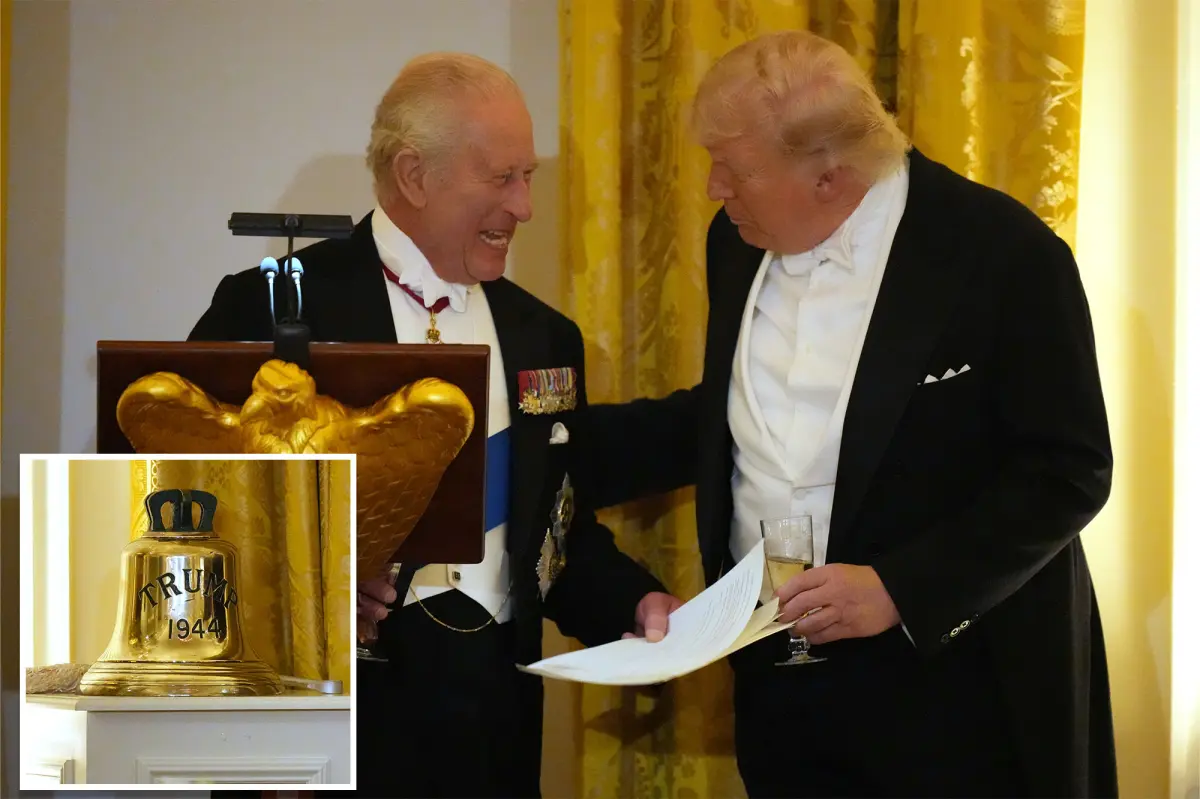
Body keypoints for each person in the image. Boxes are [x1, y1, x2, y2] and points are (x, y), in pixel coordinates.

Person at [574, 30, 1116, 799]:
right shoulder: (734, 243)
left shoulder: (1003, 254)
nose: (712, 187)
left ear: (828, 177)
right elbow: (736, 413)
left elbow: (1068, 471)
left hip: (950, 693)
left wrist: (899, 586)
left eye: (734, 167)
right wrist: (539, 451)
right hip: (778, 684)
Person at [189, 52, 681, 798]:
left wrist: (634, 603)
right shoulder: (273, 308)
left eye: (530, 177)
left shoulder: (544, 336)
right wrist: (291, 587)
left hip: (494, 729)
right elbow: (176, 510)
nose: (525, 207)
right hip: (328, 729)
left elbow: (556, 532)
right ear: (414, 175)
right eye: (502, 177)